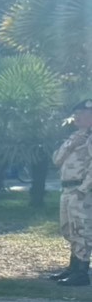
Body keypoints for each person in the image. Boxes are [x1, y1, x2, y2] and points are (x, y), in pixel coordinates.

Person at [51, 99, 92, 286]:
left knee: (81, 230)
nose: (76, 117)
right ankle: (73, 268)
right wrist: (72, 144)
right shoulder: (75, 137)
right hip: (67, 189)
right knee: (69, 229)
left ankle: (82, 272)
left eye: (82, 114)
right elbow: (56, 160)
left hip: (81, 191)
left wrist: (83, 190)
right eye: (76, 113)